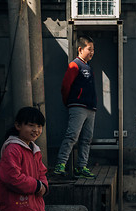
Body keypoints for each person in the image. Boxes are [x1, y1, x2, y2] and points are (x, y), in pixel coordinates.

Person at [53, 35, 97, 179]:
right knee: (72, 136)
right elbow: (65, 86)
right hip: (78, 106)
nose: (92, 52)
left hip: (90, 108)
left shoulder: (88, 67)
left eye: (93, 49)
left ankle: (81, 167)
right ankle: (60, 165)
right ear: (80, 49)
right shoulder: (75, 65)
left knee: (86, 139)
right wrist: (69, 102)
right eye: (89, 49)